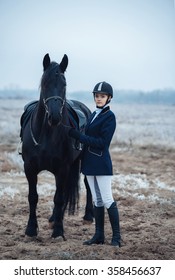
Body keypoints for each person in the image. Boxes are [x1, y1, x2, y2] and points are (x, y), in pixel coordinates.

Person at [69, 81, 121, 247]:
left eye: (102, 96)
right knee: (97, 201)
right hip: (89, 163)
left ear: (109, 98)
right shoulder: (93, 114)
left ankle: (117, 238)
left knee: (107, 199)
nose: (99, 99)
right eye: (97, 96)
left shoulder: (109, 117)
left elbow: (103, 142)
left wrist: (79, 136)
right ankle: (99, 235)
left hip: (101, 163)